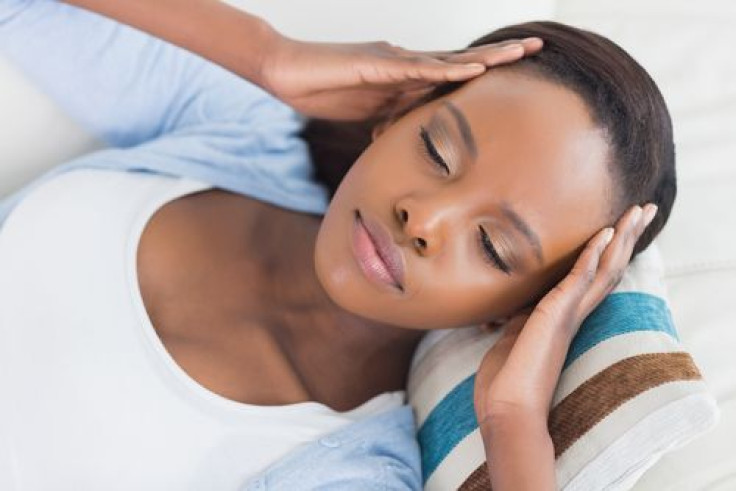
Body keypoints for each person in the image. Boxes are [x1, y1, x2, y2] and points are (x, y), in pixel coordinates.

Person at [0, 0, 675, 489]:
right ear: (395, 114)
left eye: (495, 247)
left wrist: (512, 424)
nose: (424, 218)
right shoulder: (242, 130)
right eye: (437, 148)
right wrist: (266, 53)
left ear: (515, 311)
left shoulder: (342, 468)